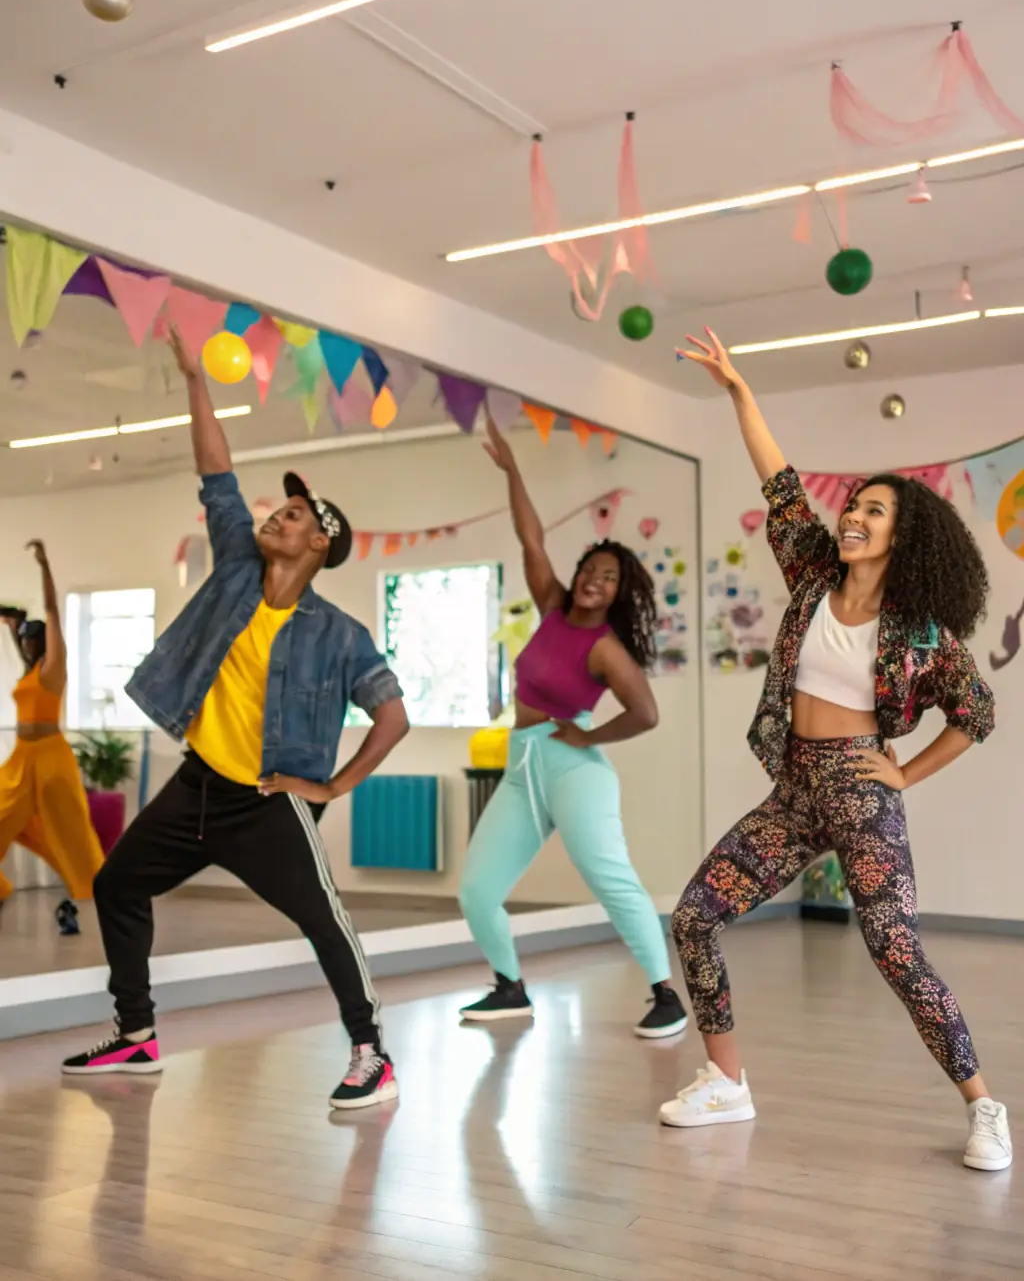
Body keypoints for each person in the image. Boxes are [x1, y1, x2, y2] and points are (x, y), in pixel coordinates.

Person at [661, 328, 1011, 1173]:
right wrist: (738, 390)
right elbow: (778, 480)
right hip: (795, 789)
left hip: (860, 790)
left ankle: (985, 1105)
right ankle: (726, 1080)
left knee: (895, 950)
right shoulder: (812, 575)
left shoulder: (921, 631)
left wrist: (903, 769)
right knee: (694, 916)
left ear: (904, 536)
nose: (853, 514)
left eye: (873, 509)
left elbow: (977, 712)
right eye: (853, 504)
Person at [61, 326, 410, 1110]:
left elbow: (392, 715)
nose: (275, 518)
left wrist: (331, 789)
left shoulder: (337, 634)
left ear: (322, 543)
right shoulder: (235, 569)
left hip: (268, 799)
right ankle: (137, 1033)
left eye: (293, 515)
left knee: (325, 922)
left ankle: (371, 1053)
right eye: (278, 509)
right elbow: (216, 472)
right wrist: (195, 378)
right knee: (117, 881)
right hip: (197, 787)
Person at [457, 415, 688, 1038]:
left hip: (573, 770)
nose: (595, 581)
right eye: (592, 569)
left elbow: (646, 713)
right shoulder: (553, 608)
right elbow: (530, 537)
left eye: (609, 578)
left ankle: (666, 994)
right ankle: (509, 987)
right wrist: (513, 471)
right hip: (522, 768)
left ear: (618, 593)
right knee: (477, 890)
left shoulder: (608, 649)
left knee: (610, 879)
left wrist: (587, 737)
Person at [0, 545, 104, 934]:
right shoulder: (29, 673)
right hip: (21, 757)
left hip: (49, 756)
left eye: (32, 639)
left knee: (69, 829)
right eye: (23, 639)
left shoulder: (54, 668)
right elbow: (22, 642)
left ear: (44, 642)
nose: (26, 643)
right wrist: (12, 629)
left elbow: (53, 614)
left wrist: (44, 566)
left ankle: (98, 889)